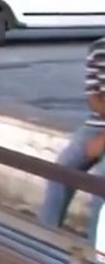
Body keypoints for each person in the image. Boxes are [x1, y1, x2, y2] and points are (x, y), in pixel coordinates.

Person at [39, 36, 105, 242]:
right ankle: (43, 241)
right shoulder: (98, 48)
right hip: (97, 125)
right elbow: (94, 97)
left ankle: (95, 256)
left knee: (101, 183)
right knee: (61, 170)